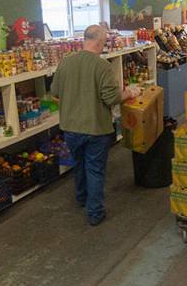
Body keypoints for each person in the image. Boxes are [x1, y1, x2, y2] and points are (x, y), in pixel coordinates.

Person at [50, 24, 140, 226]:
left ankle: (81, 198)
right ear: (99, 42)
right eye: (105, 41)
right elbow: (111, 98)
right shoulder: (102, 66)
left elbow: (54, 92)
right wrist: (130, 93)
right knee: (95, 169)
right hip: (95, 129)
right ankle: (95, 213)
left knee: (79, 164)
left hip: (70, 128)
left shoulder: (65, 63)